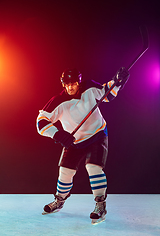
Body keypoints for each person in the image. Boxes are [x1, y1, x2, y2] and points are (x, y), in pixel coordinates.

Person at [36, 67, 129, 224]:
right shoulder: (57, 102)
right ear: (63, 84)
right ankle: (59, 201)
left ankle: (100, 205)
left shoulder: (90, 88)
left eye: (73, 83)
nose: (70, 87)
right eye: (67, 84)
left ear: (79, 82)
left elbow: (108, 93)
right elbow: (41, 122)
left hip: (97, 134)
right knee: (65, 172)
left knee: (93, 168)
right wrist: (58, 134)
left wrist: (118, 81)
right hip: (75, 140)